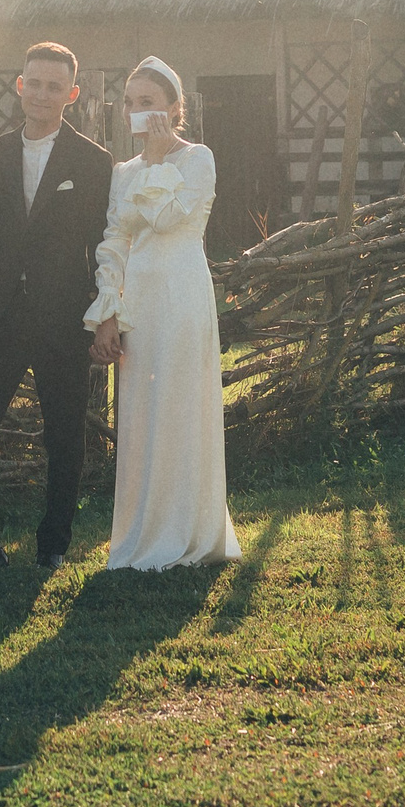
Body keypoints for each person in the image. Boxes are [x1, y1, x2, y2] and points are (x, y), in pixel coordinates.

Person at [0, 41, 114, 575]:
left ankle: (53, 545)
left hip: (63, 319)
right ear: (19, 85)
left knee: (64, 431)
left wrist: (103, 312)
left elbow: (103, 244)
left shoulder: (93, 162)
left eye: (54, 86)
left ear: (72, 93)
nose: (42, 94)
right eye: (33, 83)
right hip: (0, 316)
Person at [86, 58, 242, 570]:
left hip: (181, 297)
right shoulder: (122, 172)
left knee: (180, 405)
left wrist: (156, 156)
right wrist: (108, 311)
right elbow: (115, 240)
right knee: (141, 413)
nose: (136, 112)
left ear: (175, 109)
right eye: (130, 103)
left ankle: (190, 533)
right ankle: (141, 534)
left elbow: (170, 217)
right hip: (139, 304)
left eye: (147, 103)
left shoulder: (199, 159)